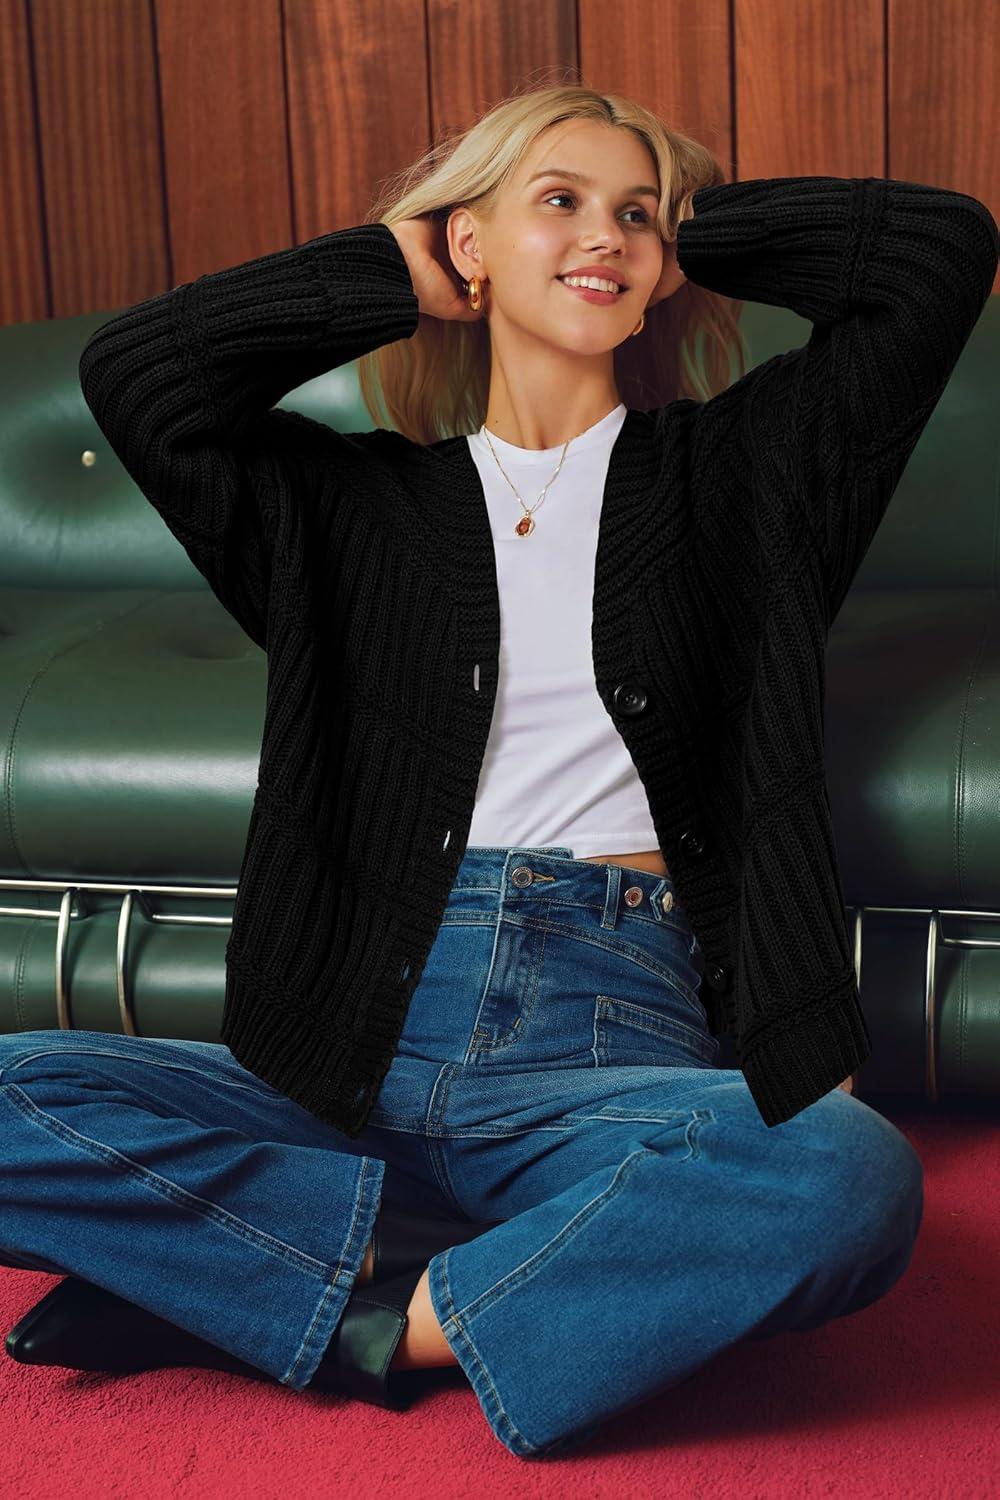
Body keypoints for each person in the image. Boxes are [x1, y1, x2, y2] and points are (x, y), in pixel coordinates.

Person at [5, 75, 994, 1459]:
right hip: (352, 1047)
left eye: (635, 215)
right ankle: (448, 1262)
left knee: (847, 1173)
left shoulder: (752, 475)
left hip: (606, 1043)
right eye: (561, 201)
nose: (605, 235)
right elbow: (143, 376)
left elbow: (938, 256)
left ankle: (351, 1310)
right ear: (467, 242)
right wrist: (390, 271)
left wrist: (682, 229)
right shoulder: (343, 510)